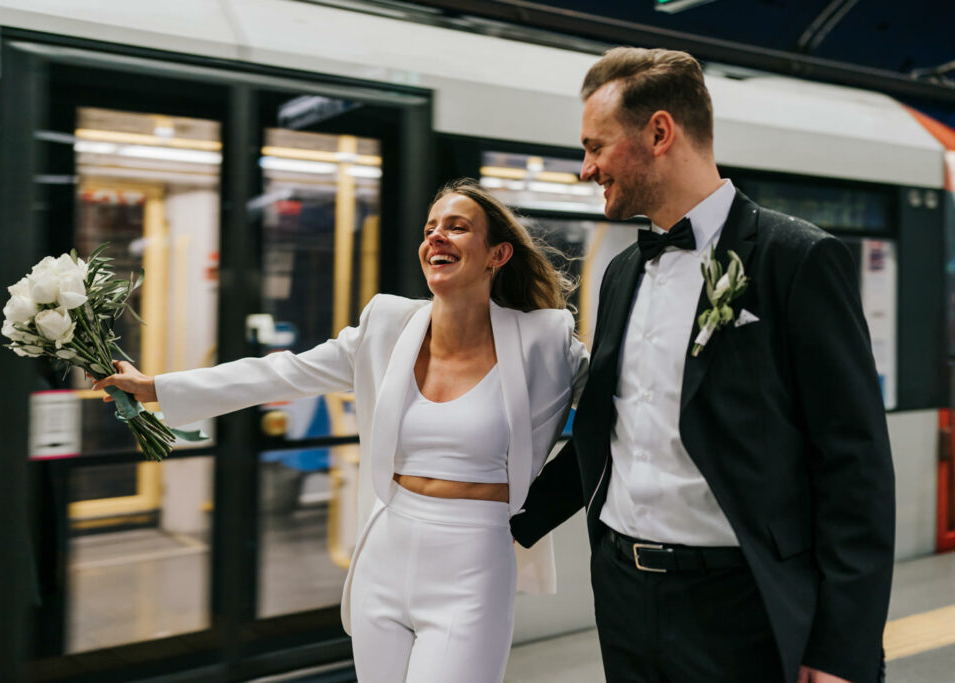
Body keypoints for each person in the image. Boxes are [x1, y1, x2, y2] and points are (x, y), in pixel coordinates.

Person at [93, 179, 588, 682]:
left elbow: (620, 415)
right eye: (430, 228)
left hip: (475, 561)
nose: (436, 237)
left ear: (497, 254)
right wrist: (156, 387)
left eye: (457, 228)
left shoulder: (546, 344)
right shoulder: (388, 325)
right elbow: (282, 371)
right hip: (386, 552)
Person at [509, 47, 895, 683]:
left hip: (743, 608)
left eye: (595, 146)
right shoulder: (622, 274)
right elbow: (605, 433)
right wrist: (503, 520)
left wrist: (840, 649)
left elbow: (855, 465)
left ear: (660, 132)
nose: (586, 169)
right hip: (625, 600)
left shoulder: (795, 260)